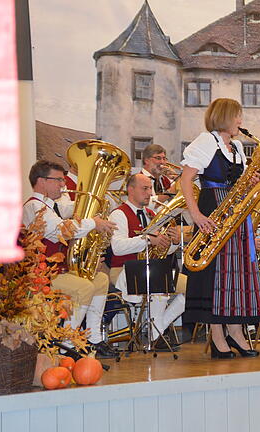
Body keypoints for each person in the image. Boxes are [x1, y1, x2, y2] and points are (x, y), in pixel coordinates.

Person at [179, 97, 260, 359]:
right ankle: (217, 336)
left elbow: (237, 183)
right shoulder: (206, 141)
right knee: (216, 275)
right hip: (213, 210)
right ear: (225, 117)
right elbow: (185, 180)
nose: (240, 121)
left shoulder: (237, 146)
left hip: (235, 215)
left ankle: (236, 333)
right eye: (237, 116)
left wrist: (251, 182)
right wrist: (196, 215)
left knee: (236, 275)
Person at [21, 160, 118, 358]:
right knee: (84, 287)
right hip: (40, 275)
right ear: (41, 181)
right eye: (58, 180)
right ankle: (68, 344)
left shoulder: (53, 206)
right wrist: (93, 222)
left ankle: (93, 338)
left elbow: (70, 215)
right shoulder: (33, 206)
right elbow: (60, 231)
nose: (63, 185)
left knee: (100, 280)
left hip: (57, 270)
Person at [108, 174, 186, 351]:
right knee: (159, 285)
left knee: (194, 289)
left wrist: (173, 242)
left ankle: (158, 331)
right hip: (124, 269)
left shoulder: (152, 214)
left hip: (151, 268)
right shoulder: (119, 214)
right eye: (145, 189)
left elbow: (163, 250)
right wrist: (149, 240)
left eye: (150, 189)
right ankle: (157, 337)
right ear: (130, 189)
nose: (149, 193)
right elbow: (118, 247)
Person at [138, 144, 175, 210]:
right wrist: (169, 193)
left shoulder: (166, 180)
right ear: (146, 160)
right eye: (158, 158)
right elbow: (147, 204)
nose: (162, 162)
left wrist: (176, 178)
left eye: (164, 158)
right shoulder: (138, 180)